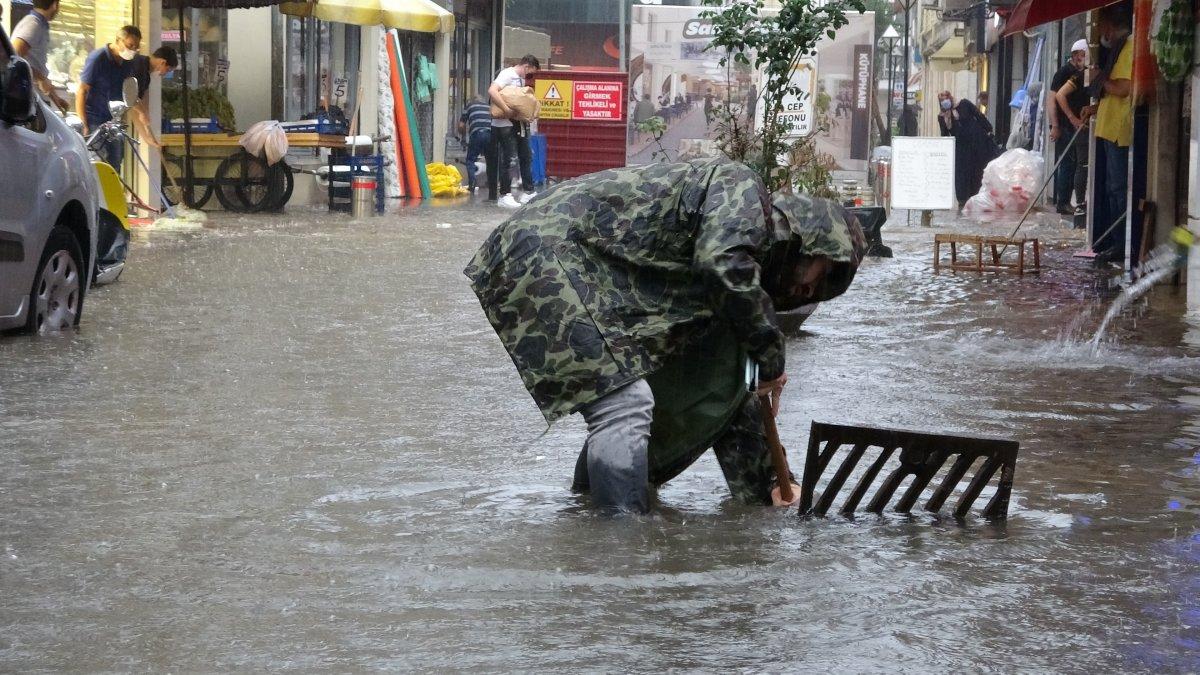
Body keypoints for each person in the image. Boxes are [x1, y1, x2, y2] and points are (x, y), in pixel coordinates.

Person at [464, 158, 866, 514]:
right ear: (811, 238)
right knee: (624, 404)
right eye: (823, 273)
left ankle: (587, 513)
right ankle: (619, 545)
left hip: (576, 267)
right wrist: (771, 353)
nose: (810, 292)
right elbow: (721, 261)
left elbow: (728, 400)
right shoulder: (740, 187)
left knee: (633, 403)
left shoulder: (731, 292)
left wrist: (771, 488)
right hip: (542, 249)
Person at [1082, 5, 1133, 261]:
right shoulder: (1116, 49)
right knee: (1111, 188)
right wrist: (1093, 108)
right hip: (1107, 125)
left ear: (1110, 27)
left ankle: (1121, 244)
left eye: (1101, 27)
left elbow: (1124, 88)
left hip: (1118, 130)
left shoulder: (1128, 47)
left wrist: (1099, 79)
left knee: (1118, 188)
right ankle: (1115, 241)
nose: (1100, 33)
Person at [76, 25, 142, 171]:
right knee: (98, 164)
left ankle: (113, 193)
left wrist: (140, 111)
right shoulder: (98, 58)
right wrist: (84, 124)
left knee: (116, 162)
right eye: (130, 45)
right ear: (118, 40)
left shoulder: (127, 62)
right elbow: (81, 91)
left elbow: (127, 90)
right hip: (94, 120)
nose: (133, 50)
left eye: (136, 47)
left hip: (114, 120)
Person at [489, 54, 540, 209]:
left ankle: (528, 191)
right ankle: (505, 194)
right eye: (530, 72)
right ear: (527, 66)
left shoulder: (520, 80)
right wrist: (506, 109)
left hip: (518, 124)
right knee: (509, 159)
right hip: (504, 124)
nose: (530, 76)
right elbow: (492, 90)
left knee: (525, 156)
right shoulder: (507, 74)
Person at [1048, 40, 1089, 216]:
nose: (1084, 59)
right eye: (1083, 55)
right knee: (1067, 163)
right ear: (1075, 55)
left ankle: (1065, 201)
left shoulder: (1080, 73)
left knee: (1073, 164)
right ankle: (1063, 202)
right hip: (1065, 125)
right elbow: (1052, 99)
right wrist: (1056, 125)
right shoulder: (1064, 73)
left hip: (1074, 125)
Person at [11, 0, 69, 110]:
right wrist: (40, 78)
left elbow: (37, 65)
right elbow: (15, 54)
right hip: (29, 98)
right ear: (54, 5)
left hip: (35, 97)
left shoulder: (38, 24)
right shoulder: (34, 23)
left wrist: (55, 98)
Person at [947, 98, 1000, 209]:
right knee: (963, 172)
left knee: (978, 169)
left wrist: (988, 128)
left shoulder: (964, 104)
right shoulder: (944, 116)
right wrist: (947, 120)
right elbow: (947, 134)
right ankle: (963, 199)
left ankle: (977, 195)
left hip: (977, 142)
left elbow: (978, 115)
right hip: (962, 147)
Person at [128, 46, 177, 150]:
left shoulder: (146, 77)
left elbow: (138, 106)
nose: (165, 74)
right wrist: (142, 112)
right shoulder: (137, 64)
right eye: (167, 70)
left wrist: (146, 137)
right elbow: (131, 98)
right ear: (163, 62)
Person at [458, 95, 493, 194]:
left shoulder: (470, 106)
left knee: (470, 160)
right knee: (490, 160)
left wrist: (463, 137)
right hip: (490, 134)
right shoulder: (488, 107)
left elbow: (461, 125)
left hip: (477, 134)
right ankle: (491, 184)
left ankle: (472, 184)